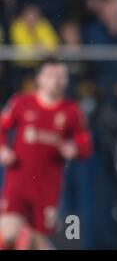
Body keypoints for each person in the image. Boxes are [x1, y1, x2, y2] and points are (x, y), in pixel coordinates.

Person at [0, 58, 93, 250]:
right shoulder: (22, 103)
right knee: (8, 235)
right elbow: (2, 126)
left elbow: (85, 143)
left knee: (34, 240)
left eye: (61, 76)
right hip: (18, 183)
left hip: (48, 187)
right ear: (39, 79)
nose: (56, 80)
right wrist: (2, 149)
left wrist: (74, 148)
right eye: (51, 75)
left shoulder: (71, 111)